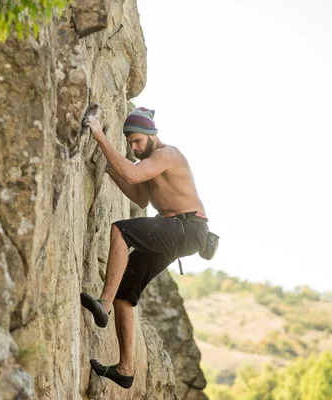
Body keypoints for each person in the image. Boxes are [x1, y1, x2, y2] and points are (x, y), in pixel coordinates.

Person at [81, 107, 215, 389]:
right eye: (129, 142)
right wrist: (107, 168)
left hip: (187, 228)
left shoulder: (167, 155)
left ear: (152, 135)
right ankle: (126, 370)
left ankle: (102, 303)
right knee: (125, 295)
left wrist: (101, 138)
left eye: (137, 141)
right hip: (178, 232)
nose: (133, 147)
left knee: (121, 229)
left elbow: (131, 175)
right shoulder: (151, 163)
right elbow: (140, 197)